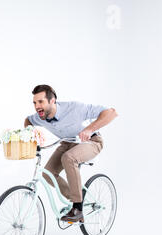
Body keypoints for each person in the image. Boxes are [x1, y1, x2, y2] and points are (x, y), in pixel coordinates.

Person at [24, 85, 117, 223]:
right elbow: (28, 121)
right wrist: (31, 135)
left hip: (91, 141)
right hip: (67, 143)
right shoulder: (40, 116)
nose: (37, 106)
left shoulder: (75, 108)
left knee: (68, 158)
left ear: (52, 101)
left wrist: (89, 129)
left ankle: (78, 208)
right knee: (47, 173)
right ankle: (76, 197)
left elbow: (111, 113)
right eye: (35, 103)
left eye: (41, 102)